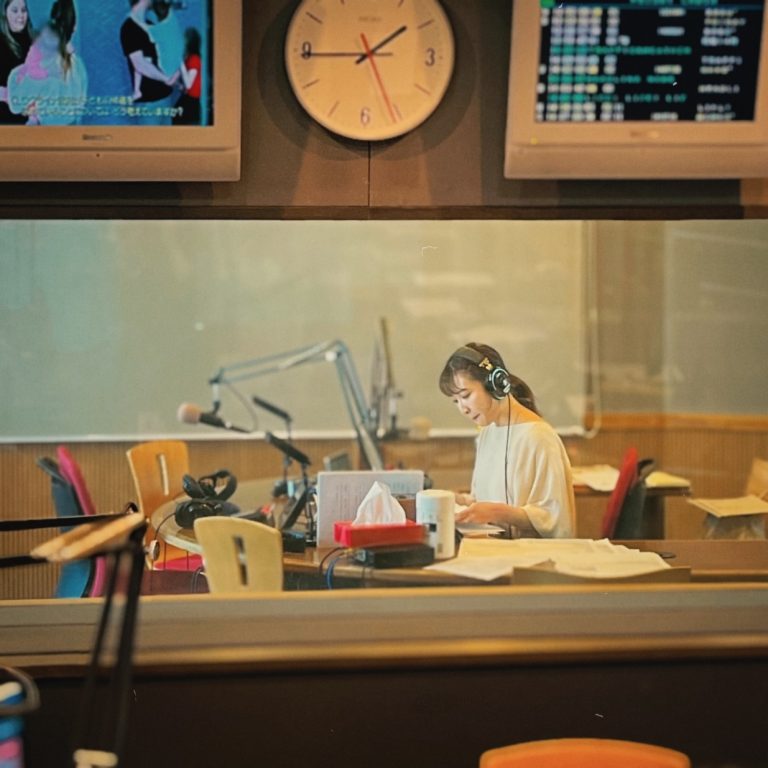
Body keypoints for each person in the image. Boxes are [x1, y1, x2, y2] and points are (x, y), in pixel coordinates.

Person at [439, 342, 575, 538]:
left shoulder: (539, 437)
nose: (463, 409)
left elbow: (554, 519)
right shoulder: (487, 432)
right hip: (494, 549)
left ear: (494, 384)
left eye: (466, 396)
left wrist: (498, 512)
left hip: (529, 553)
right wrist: (456, 500)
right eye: (456, 401)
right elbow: (482, 500)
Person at [5, 0, 87, 125]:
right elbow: (77, 110)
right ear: (74, 26)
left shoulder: (41, 67)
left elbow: (16, 105)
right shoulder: (79, 68)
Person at [120, 0, 177, 124]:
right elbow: (139, 64)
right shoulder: (129, 28)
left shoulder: (149, 24)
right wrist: (166, 78)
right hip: (149, 103)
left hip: (164, 97)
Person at [0, 0, 33, 123]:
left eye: (24, 10)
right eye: (15, 10)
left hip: (29, 118)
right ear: (4, 14)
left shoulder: (34, 42)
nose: (20, 15)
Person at [172, 26, 200, 125]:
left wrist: (180, 62)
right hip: (189, 97)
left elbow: (188, 84)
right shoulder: (189, 58)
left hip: (193, 101)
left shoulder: (194, 59)